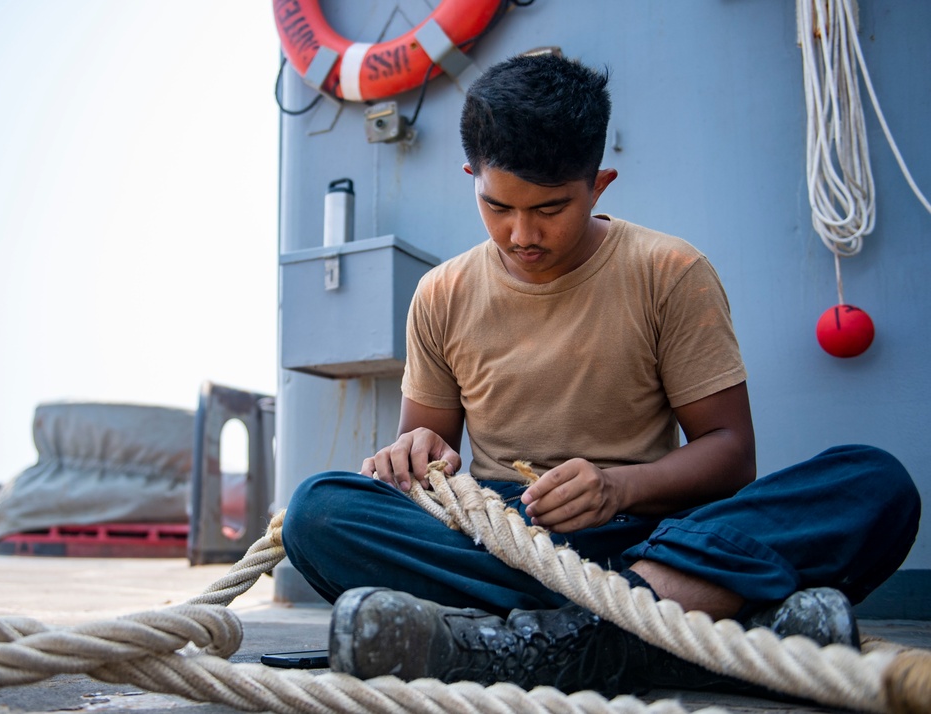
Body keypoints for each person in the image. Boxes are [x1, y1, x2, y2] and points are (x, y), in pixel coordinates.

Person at [282, 53, 920, 697]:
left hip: (653, 531)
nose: (521, 234)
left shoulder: (670, 272)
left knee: (874, 484)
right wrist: (413, 454)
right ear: (471, 175)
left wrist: (616, 490)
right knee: (320, 511)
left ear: (600, 184)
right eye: (497, 206)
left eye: (551, 208)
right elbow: (427, 455)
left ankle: (539, 644)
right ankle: (680, 632)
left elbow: (731, 456)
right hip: (505, 541)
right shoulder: (441, 293)